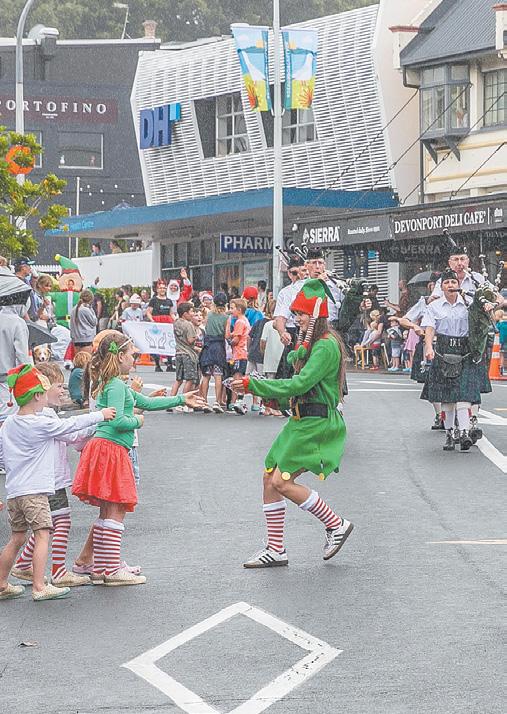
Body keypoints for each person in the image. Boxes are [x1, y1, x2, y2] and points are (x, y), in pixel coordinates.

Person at [232, 279, 353, 568]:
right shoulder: (313, 344)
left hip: (316, 423)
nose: (297, 319)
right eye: (296, 313)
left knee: (281, 481)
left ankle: (335, 524)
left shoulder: (325, 346)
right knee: (270, 476)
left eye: (302, 314)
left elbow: (300, 384)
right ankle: (276, 549)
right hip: (301, 420)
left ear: (317, 315)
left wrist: (253, 385)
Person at [71, 332, 204, 585]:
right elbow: (118, 420)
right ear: (120, 356)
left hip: (105, 449)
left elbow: (146, 402)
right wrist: (137, 421)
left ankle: (103, 567)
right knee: (116, 508)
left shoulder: (114, 383)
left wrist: (181, 398)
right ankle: (112, 570)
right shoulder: (117, 385)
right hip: (111, 449)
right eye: (133, 354)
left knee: (108, 510)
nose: (136, 358)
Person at [0, 364, 114, 601]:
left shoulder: (8, 424)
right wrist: (99, 415)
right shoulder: (40, 423)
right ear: (37, 396)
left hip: (14, 491)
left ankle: (1, 582)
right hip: (35, 491)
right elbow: (70, 426)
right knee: (43, 533)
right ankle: (40, 586)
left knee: (17, 537)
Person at [421, 268, 485, 452]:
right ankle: (450, 434)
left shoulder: (469, 304)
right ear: (442, 287)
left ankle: (464, 433)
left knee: (464, 396)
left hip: (465, 350)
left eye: (454, 282)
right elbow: (430, 329)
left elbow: (481, 320)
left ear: (459, 285)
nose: (451, 285)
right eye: (447, 283)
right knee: (447, 398)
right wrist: (429, 347)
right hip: (443, 350)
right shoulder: (434, 306)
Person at [273, 256, 306, 378]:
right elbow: (279, 319)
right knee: (287, 376)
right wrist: (283, 333)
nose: (298, 276)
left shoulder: (313, 286)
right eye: (294, 273)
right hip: (293, 333)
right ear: (289, 274)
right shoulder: (285, 292)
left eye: (301, 271)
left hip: (312, 331)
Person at [200, 292, 228, 413]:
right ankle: (217, 401)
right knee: (218, 375)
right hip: (219, 346)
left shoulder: (209, 314)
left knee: (206, 376)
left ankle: (204, 401)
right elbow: (226, 334)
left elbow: (204, 327)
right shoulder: (226, 317)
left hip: (207, 345)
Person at [304, 247, 343, 330]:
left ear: (324, 265)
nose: (317, 266)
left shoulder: (336, 284)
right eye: (314, 263)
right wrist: (318, 283)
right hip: (311, 328)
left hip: (333, 328)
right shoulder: (301, 286)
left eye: (320, 263)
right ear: (306, 266)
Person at [170, 302, 200, 406]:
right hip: (188, 354)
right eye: (191, 311)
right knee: (190, 379)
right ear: (185, 313)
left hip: (178, 352)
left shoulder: (176, 322)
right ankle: (183, 401)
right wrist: (196, 336)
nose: (193, 314)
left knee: (178, 379)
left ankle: (171, 400)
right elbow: (190, 340)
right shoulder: (188, 324)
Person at [259, 299, 285, 416]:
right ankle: (278, 407)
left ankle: (267, 407)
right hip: (281, 357)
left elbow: (263, 341)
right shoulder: (285, 325)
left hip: (269, 356)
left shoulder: (268, 325)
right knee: (280, 383)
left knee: (269, 383)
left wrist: (263, 352)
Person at [226, 298, 251, 415]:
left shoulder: (239, 322)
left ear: (239, 309)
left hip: (239, 353)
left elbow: (235, 339)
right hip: (244, 353)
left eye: (232, 308)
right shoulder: (245, 320)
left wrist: (229, 341)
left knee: (237, 379)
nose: (231, 311)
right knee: (240, 378)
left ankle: (235, 403)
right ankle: (238, 402)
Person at [145, 280, 174, 372]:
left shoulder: (169, 301)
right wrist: (152, 320)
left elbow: (171, 313)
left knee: (168, 342)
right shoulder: (154, 300)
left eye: (164, 288)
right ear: (157, 289)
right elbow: (148, 312)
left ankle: (169, 364)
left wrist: (175, 320)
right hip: (157, 322)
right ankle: (157, 364)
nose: (162, 290)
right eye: (160, 288)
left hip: (167, 322)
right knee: (157, 342)